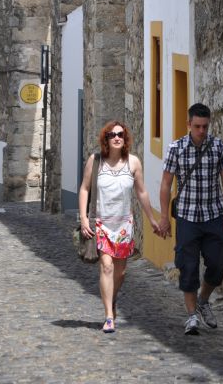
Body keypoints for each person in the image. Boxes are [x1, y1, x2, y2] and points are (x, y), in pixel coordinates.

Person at [159, 103, 223, 335]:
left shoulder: (217, 147)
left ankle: (203, 300)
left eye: (205, 126)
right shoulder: (176, 148)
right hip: (187, 217)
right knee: (188, 267)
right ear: (188, 125)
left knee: (218, 263)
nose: (201, 131)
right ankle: (192, 316)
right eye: (197, 126)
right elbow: (165, 184)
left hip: (213, 215)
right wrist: (164, 217)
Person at [79, 120, 160, 333]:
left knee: (121, 272)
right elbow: (84, 189)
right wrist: (84, 218)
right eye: (112, 135)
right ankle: (108, 316)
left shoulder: (133, 163)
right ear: (105, 139)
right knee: (106, 266)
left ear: (125, 139)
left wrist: (151, 218)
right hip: (101, 224)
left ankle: (112, 300)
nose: (116, 137)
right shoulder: (95, 161)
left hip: (124, 225)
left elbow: (141, 192)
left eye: (120, 135)